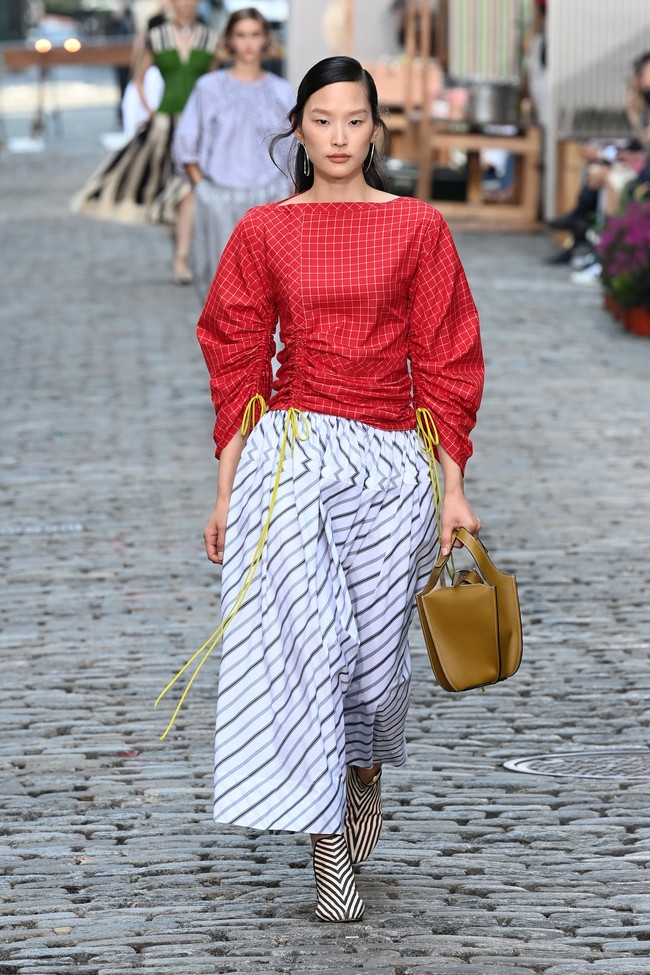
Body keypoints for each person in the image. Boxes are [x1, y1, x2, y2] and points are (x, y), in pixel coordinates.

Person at [187, 57, 483, 922]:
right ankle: (326, 850)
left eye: (356, 121)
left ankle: (361, 775)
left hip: (394, 461)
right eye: (323, 120)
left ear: (375, 128)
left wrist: (453, 488)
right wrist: (223, 489)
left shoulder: (420, 228)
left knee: (371, 668)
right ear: (299, 130)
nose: (341, 137)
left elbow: (446, 355)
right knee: (306, 649)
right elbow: (237, 358)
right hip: (295, 453)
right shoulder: (264, 231)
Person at [71, 0, 219, 284]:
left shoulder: (210, 37)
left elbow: (213, 83)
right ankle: (181, 254)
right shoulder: (156, 36)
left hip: (200, 129)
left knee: (187, 190)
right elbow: (138, 79)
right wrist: (151, 113)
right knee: (174, 190)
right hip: (165, 126)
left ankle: (182, 257)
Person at [173, 7, 294, 302]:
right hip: (220, 196)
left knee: (270, 287)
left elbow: (294, 148)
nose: (248, 43)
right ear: (230, 40)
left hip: (272, 199)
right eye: (241, 35)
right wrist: (201, 187)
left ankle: (270, 349)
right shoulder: (209, 87)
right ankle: (227, 348)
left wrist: (290, 193)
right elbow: (186, 141)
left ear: (266, 39)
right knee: (223, 285)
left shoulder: (283, 91)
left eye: (255, 34)